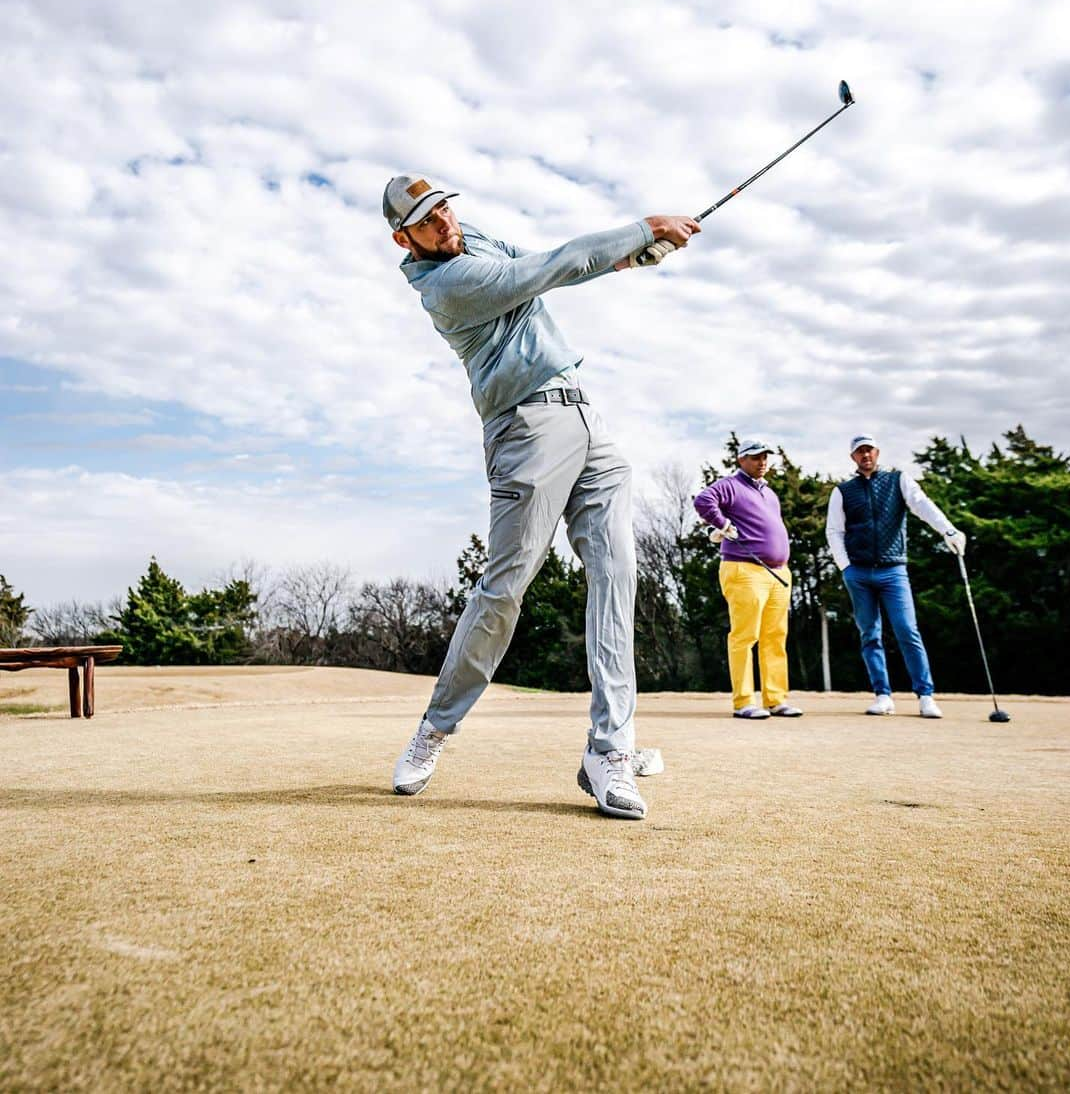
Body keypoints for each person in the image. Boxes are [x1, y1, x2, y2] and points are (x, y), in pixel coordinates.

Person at [385, 173, 699, 819]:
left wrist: (632, 257)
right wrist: (644, 228)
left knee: (618, 575)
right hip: (526, 429)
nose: (444, 222)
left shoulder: (471, 237)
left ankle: (609, 750)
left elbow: (565, 268)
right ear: (403, 237)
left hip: (586, 417)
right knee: (505, 590)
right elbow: (549, 268)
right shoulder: (446, 287)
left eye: (443, 206)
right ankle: (436, 728)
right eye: (426, 219)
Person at [826, 435, 966, 718]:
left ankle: (925, 696)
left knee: (906, 630)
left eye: (869, 450)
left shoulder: (898, 480)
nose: (865, 455)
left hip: (893, 570)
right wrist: (846, 567)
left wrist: (948, 530)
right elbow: (834, 531)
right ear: (853, 457)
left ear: (877, 452)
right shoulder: (843, 491)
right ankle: (882, 695)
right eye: (859, 452)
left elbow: (922, 505)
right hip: (859, 572)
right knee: (870, 634)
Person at [693, 441, 803, 720]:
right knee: (745, 636)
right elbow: (703, 500)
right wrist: (723, 525)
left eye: (765, 457)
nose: (762, 461)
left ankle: (775, 699)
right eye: (755, 457)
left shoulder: (770, 493)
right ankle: (744, 701)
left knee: (775, 638)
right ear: (741, 459)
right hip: (744, 569)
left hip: (778, 572)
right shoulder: (731, 485)